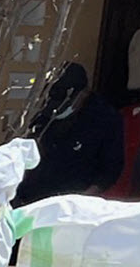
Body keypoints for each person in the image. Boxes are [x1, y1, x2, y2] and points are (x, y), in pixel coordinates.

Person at [18, 62, 124, 205]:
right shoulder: (42, 110)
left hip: (74, 197)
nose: (57, 108)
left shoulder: (104, 120)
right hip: (33, 194)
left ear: (84, 93)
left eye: (66, 102)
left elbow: (110, 169)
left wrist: (81, 201)